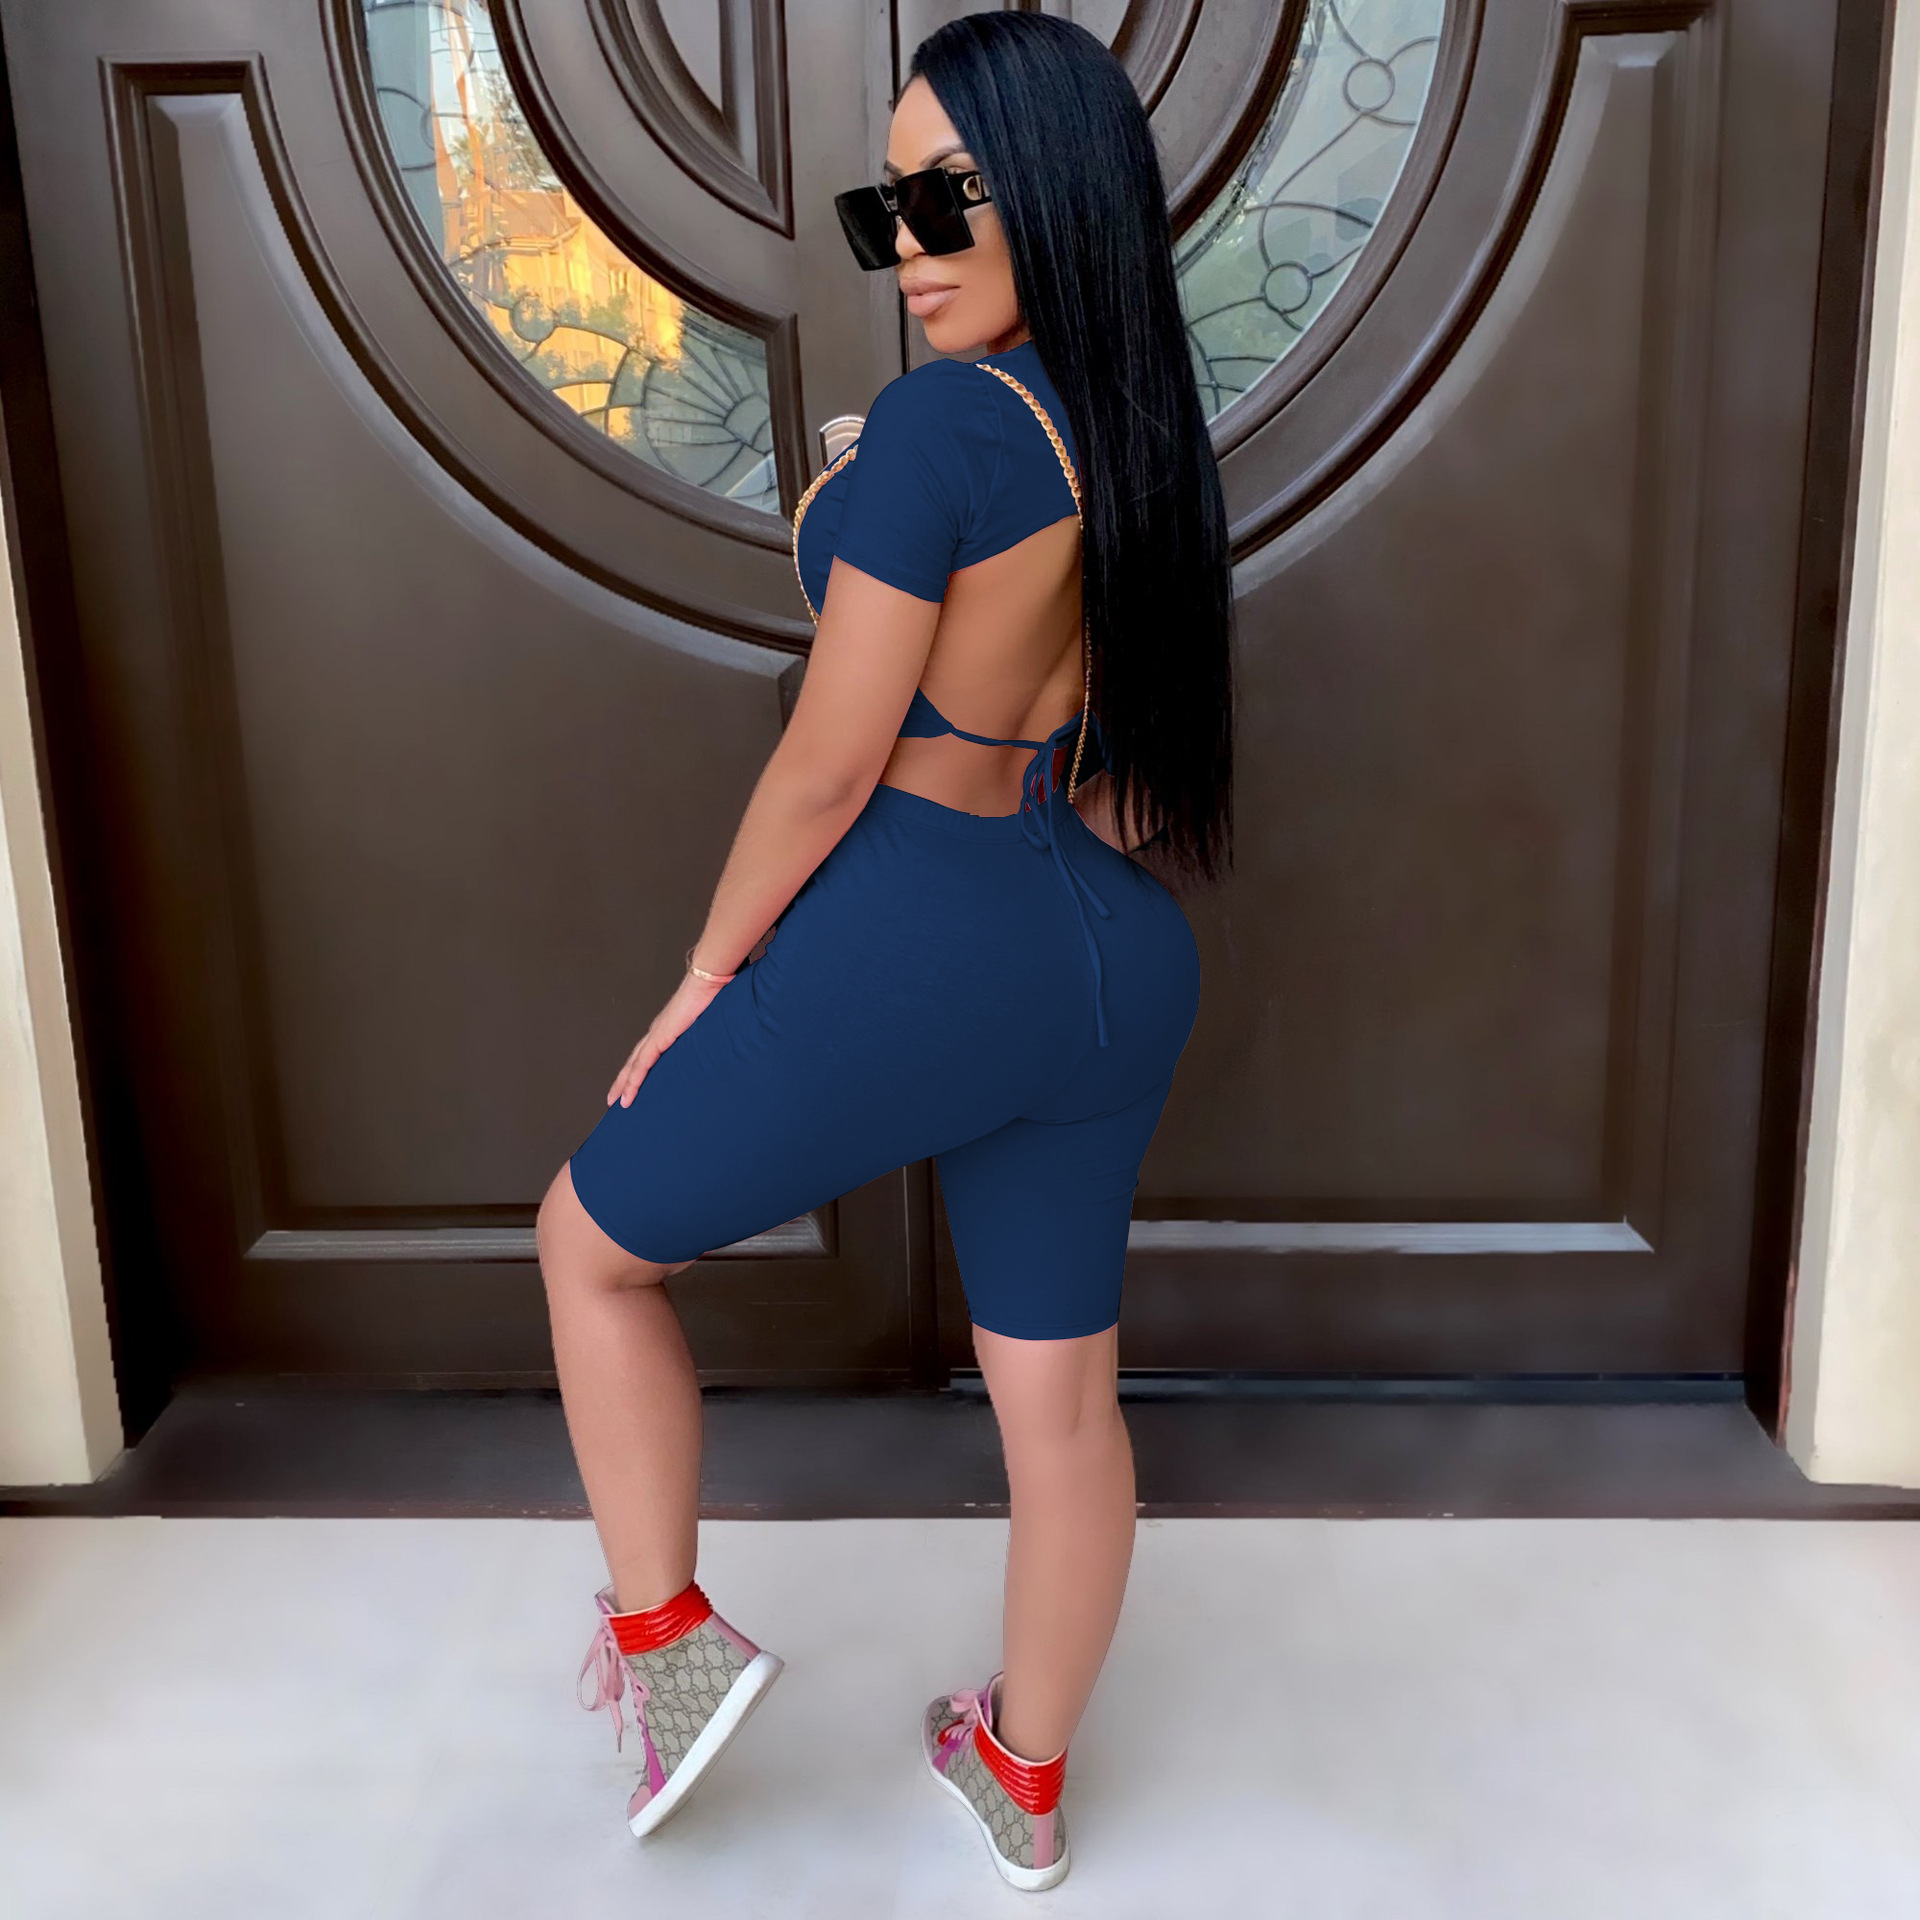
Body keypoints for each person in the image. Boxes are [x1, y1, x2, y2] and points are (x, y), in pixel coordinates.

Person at [536, 11, 1234, 1893]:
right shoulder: (1134, 426)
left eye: (945, 196)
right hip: (1107, 947)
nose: (908, 245)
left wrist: (705, 978)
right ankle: (1021, 1772)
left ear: (1053, 191)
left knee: (587, 1245)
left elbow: (833, 761)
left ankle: (670, 1647)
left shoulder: (948, 423)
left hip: (929, 921)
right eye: (887, 207)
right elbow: (1113, 770)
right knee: (1061, 1404)